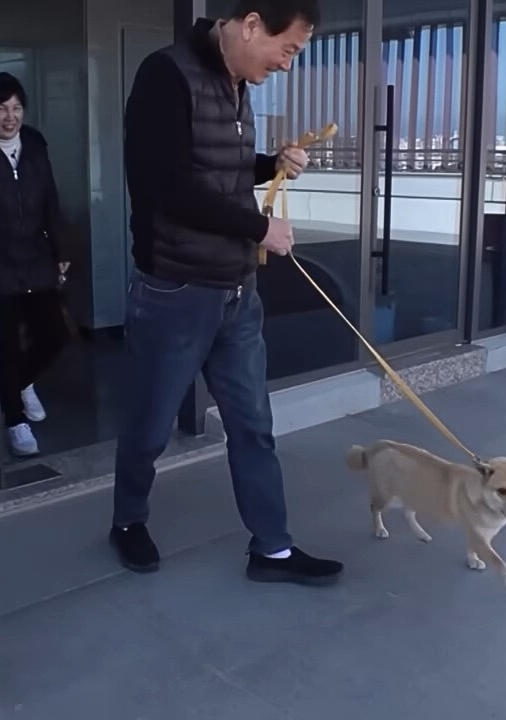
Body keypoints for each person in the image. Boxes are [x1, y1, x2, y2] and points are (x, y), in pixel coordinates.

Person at [112, 0, 343, 586]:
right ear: (249, 25)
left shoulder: (238, 81)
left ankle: (272, 549)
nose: (288, 65)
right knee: (149, 425)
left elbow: (222, 174)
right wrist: (261, 227)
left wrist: (271, 164)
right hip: (176, 292)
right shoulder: (164, 76)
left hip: (237, 292)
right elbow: (167, 186)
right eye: (287, 49)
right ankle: (128, 521)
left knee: (252, 424)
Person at [0, 72, 70, 457]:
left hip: (36, 255)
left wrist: (61, 249)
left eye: (16, 107)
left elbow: (51, 198)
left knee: (54, 334)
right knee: (4, 344)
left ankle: (21, 383)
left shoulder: (33, 142)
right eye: (1, 108)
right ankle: (15, 422)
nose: (10, 117)